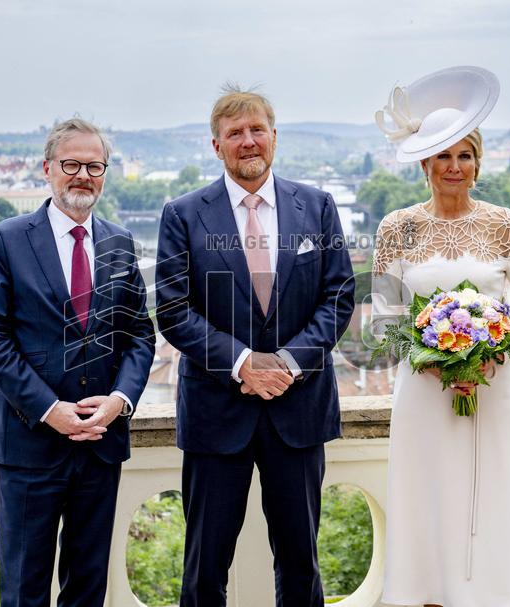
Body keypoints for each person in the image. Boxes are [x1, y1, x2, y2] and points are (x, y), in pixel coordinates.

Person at [155, 85, 356, 606]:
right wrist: (243, 364)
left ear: (274, 136)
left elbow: (339, 296)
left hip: (300, 411)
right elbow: (173, 310)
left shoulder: (317, 206)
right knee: (204, 568)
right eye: (235, 133)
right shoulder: (182, 214)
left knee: (300, 564)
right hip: (216, 414)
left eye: (257, 130)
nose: (248, 142)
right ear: (216, 145)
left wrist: (288, 363)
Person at [370, 67, 510, 607]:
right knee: (429, 500)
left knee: (499, 499)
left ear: (478, 163)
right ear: (425, 163)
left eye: (465, 156)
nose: (454, 168)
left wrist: (490, 353)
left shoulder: (507, 225)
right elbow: (383, 322)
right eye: (443, 157)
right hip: (423, 394)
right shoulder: (395, 229)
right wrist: (436, 360)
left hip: (497, 391)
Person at [0, 118, 155, 607]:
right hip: (30, 447)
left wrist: (121, 400)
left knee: (88, 589)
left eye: (94, 166)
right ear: (48, 168)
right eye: (71, 164)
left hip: (100, 445)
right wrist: (48, 408)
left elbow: (139, 332)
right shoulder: (6, 240)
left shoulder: (120, 242)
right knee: (23, 590)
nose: (83, 175)